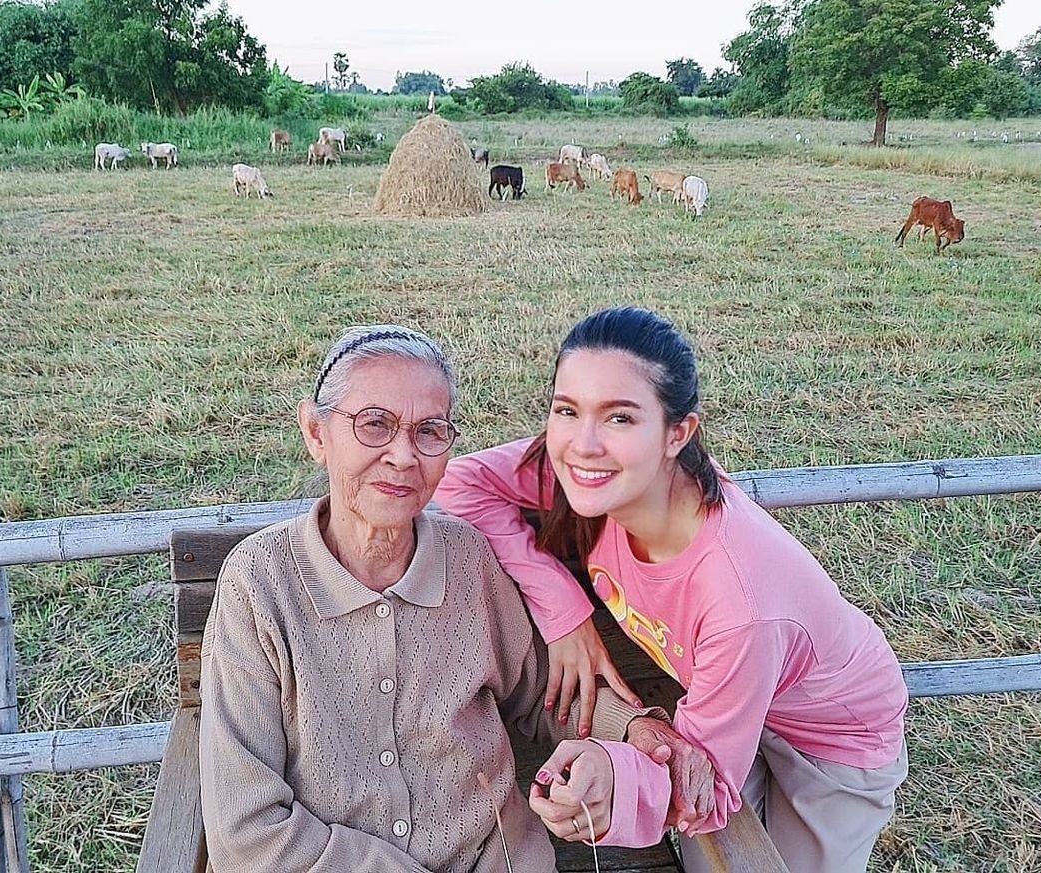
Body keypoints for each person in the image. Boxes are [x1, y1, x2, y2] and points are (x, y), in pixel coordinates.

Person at [434, 307, 910, 873]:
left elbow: (703, 790)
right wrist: (564, 612)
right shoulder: (602, 482)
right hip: (726, 705)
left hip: (833, 742)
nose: (583, 444)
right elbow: (460, 481)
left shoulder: (738, 602)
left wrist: (608, 781)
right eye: (567, 410)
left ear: (678, 433)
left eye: (620, 419)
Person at [198, 323, 688, 873]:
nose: (404, 456)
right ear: (316, 432)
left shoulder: (468, 559)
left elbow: (542, 691)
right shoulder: (259, 584)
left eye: (430, 431)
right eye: (374, 425)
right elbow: (245, 833)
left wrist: (631, 727)